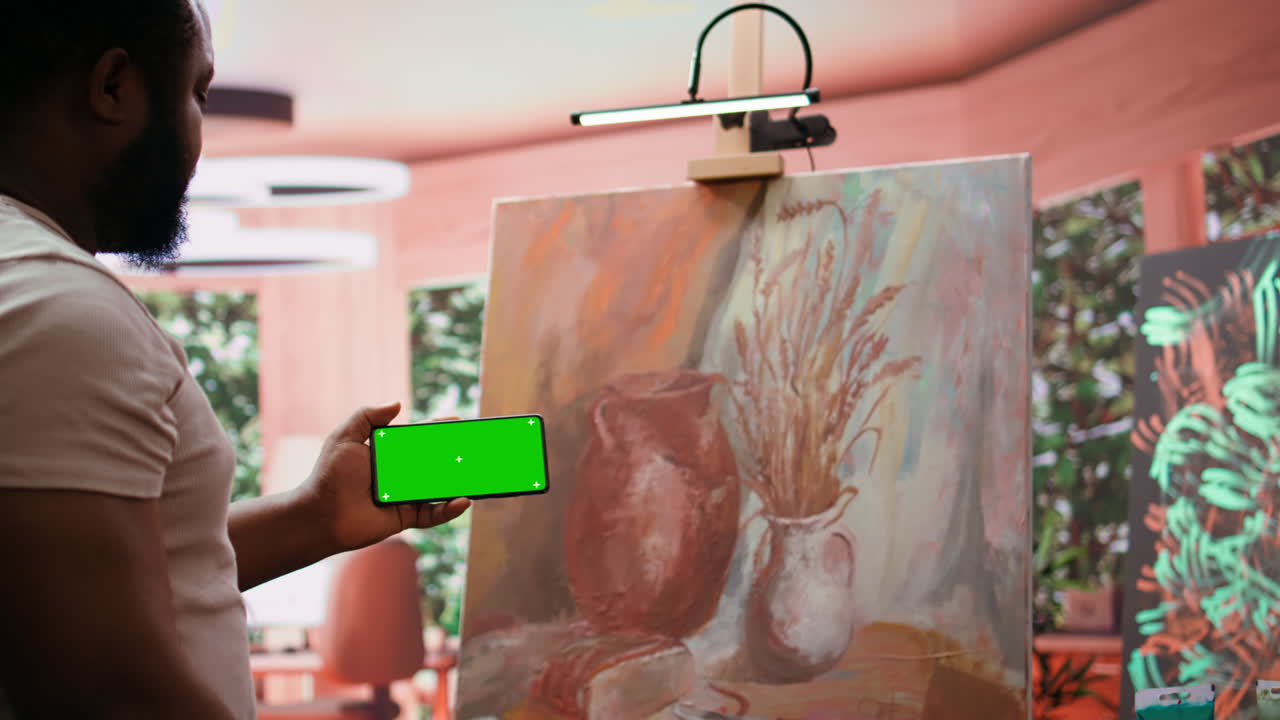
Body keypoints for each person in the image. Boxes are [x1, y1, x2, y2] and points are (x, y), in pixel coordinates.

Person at [0, 2, 471, 717]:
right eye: (198, 94)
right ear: (113, 87)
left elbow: (83, 578)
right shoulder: (61, 308)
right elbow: (107, 689)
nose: (198, 139)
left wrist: (315, 515)